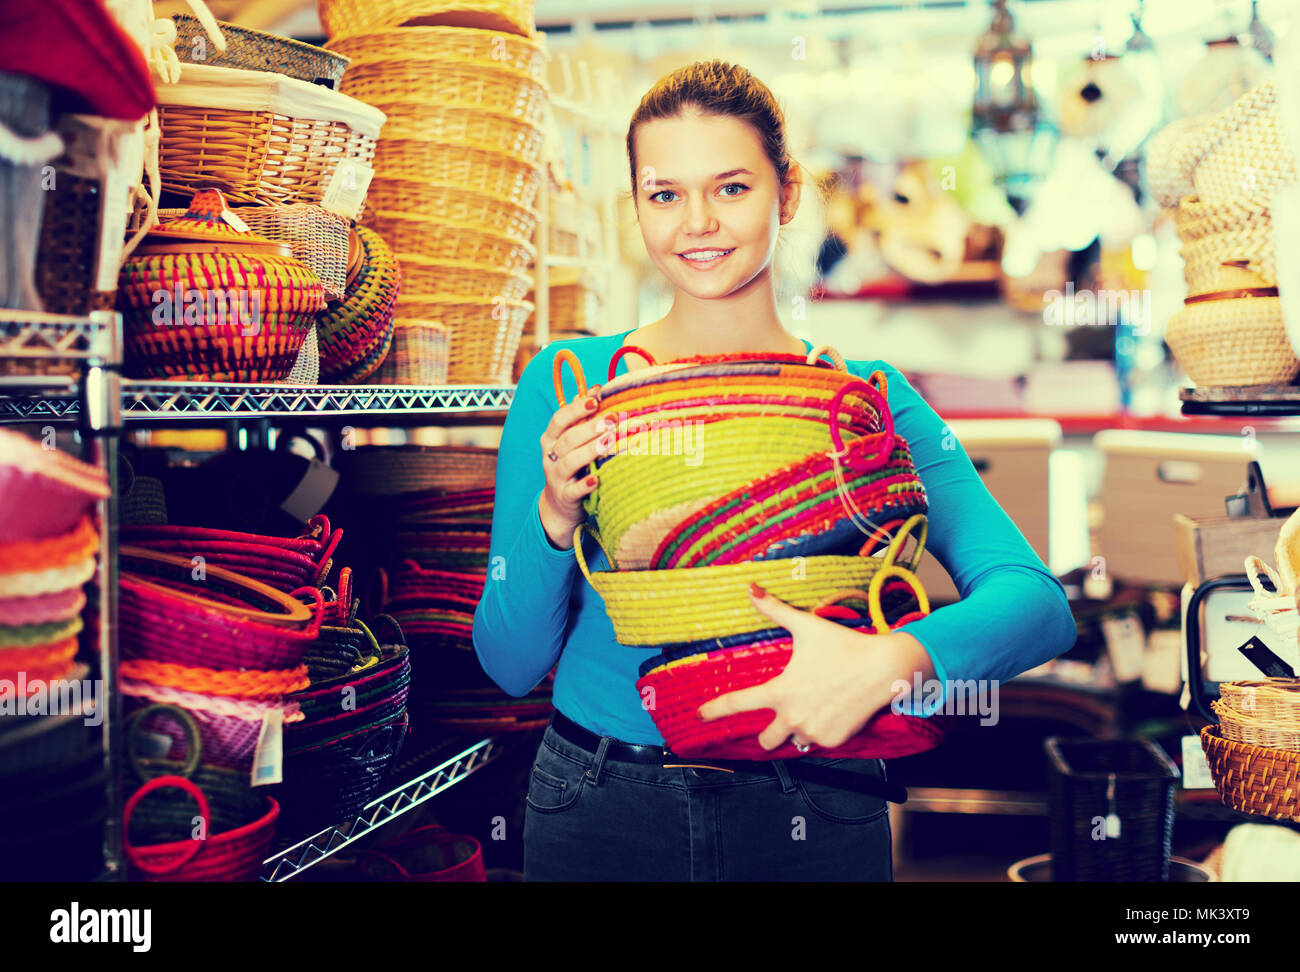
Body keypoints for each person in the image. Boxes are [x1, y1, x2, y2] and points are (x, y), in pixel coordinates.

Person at [472, 60, 1076, 882]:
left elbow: (1036, 604)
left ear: (786, 195)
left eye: (730, 188)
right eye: (664, 194)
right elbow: (508, 666)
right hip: (601, 803)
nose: (696, 224)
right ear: (638, 208)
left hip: (813, 802)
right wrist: (553, 516)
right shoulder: (568, 387)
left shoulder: (864, 398)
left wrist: (889, 663)